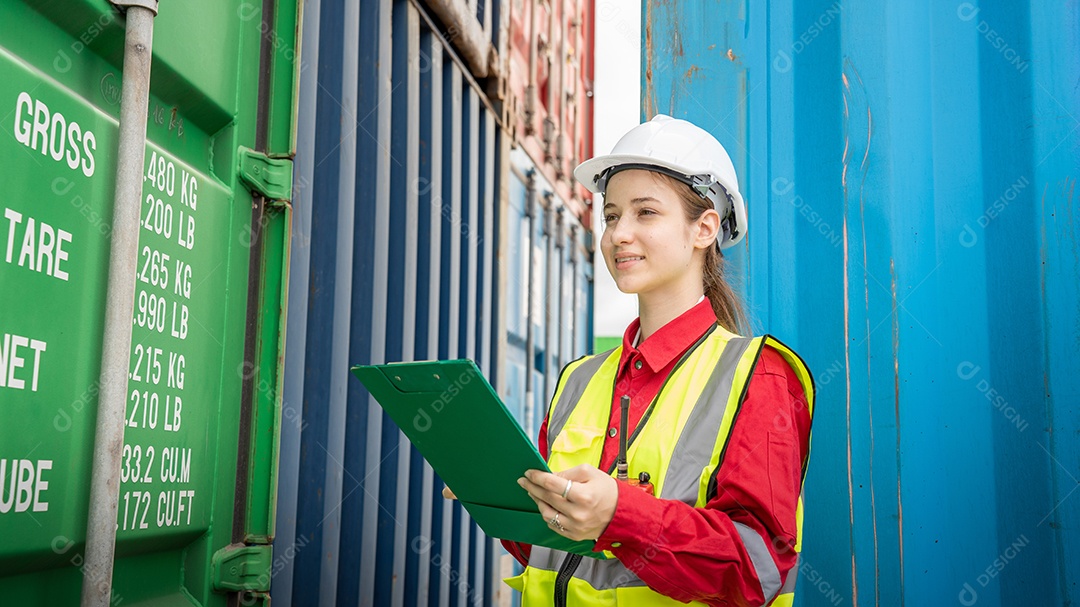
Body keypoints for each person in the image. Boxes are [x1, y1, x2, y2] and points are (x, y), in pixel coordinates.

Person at [447, 114, 814, 607]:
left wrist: (620, 515)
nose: (619, 233)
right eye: (612, 215)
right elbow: (552, 550)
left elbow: (758, 569)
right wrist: (494, 495)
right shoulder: (580, 379)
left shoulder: (760, 375)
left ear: (704, 228)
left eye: (646, 213)